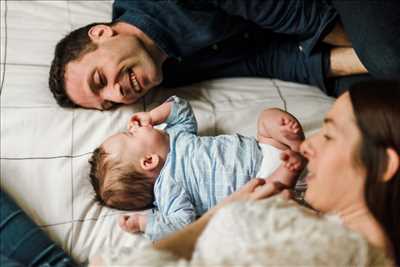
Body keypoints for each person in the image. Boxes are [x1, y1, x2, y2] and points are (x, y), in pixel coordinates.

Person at [90, 80, 400, 266]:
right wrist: (149, 221)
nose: (308, 145)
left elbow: (113, 262)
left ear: (383, 166)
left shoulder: (339, 250)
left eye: (329, 135)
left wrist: (220, 215)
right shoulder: (328, 232)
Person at [48, 0, 371, 110]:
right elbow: (262, 58)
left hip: (319, 8)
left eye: (100, 80)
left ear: (102, 33)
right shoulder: (172, 72)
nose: (117, 95)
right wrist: (363, 61)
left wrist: (374, 55)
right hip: (323, 26)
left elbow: (291, 12)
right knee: (367, 100)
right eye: (108, 104)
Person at [88, 96, 305, 240]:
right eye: (131, 133)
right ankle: (291, 167)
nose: (134, 126)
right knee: (265, 200)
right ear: (148, 161)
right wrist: (144, 223)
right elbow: (180, 226)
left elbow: (181, 109)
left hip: (264, 148)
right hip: (261, 183)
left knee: (267, 118)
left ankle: (292, 143)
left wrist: (152, 116)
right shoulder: (168, 189)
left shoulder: (175, 135)